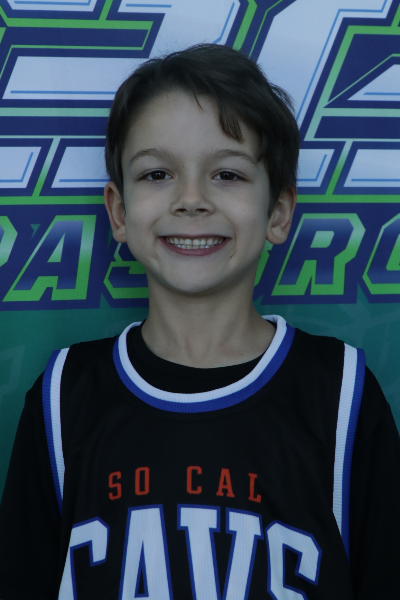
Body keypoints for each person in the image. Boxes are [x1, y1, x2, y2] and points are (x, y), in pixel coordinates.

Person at [0, 43, 399, 600]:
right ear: (119, 211)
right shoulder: (64, 396)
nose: (191, 199)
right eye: (157, 173)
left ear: (279, 211)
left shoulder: (341, 396)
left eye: (228, 174)